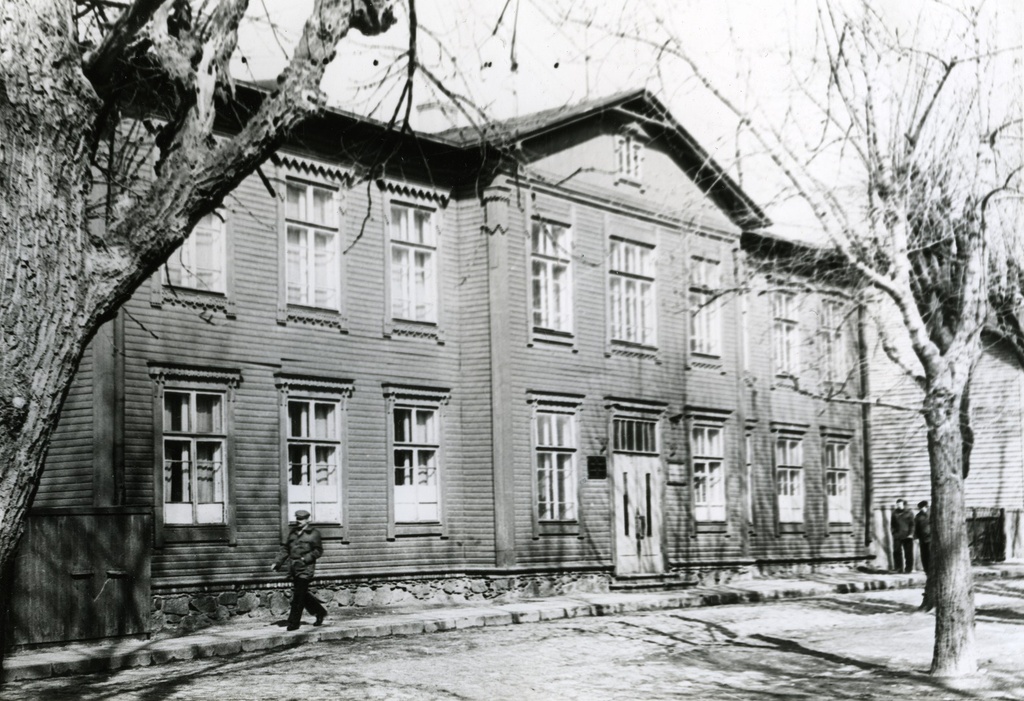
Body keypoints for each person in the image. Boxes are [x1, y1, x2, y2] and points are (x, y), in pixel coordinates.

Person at [273, 509, 327, 630]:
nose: (299, 521)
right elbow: (286, 549)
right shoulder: (293, 533)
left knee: (298, 595)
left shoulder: (314, 534)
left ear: (308, 519)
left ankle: (294, 622)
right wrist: (277, 562)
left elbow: (318, 551)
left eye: (302, 519)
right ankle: (320, 612)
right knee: (302, 593)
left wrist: (305, 558)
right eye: (297, 519)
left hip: (306, 568)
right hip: (294, 568)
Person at [890, 498, 915, 573]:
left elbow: (912, 524)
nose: (898, 506)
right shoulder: (894, 513)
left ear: (904, 504)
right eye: (897, 504)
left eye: (900, 504)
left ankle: (908, 568)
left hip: (907, 536)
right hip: (897, 535)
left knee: (908, 553)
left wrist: (911, 534)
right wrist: (893, 532)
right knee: (897, 552)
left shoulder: (909, 512)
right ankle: (898, 568)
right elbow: (892, 524)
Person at [915, 500, 931, 574]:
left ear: (926, 507)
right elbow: (916, 528)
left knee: (930, 553)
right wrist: (916, 538)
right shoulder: (918, 516)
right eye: (920, 508)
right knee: (924, 554)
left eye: (923, 507)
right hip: (922, 538)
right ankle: (926, 569)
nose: (922, 509)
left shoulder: (931, 514)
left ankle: (931, 569)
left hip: (931, 538)